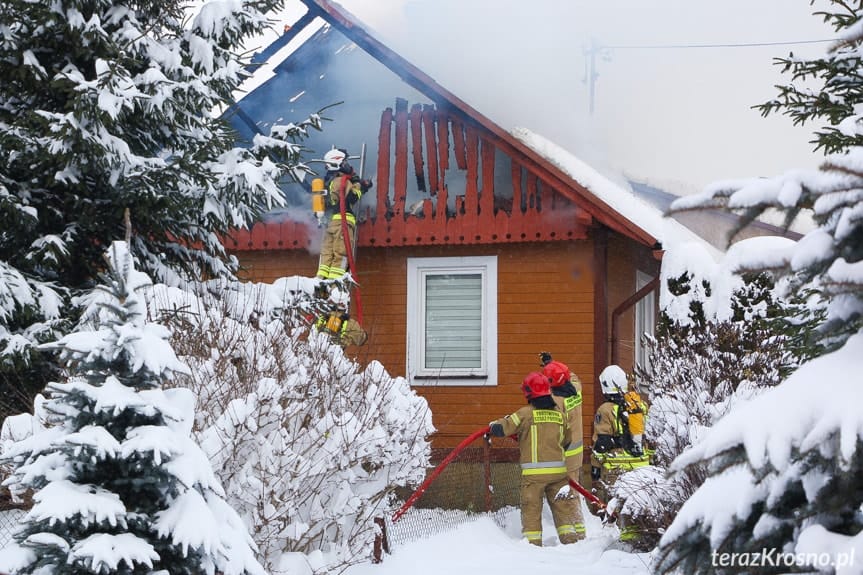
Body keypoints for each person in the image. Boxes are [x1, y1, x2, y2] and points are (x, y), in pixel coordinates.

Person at [488, 372, 581, 546]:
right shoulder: (560, 415)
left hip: (534, 476)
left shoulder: (525, 414)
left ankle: (533, 546)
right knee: (563, 510)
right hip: (559, 474)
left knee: (531, 509)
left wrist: (494, 425)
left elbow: (502, 429)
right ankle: (571, 543)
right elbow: (567, 441)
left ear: (529, 393)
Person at [590, 364, 650, 543]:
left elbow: (602, 443)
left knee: (620, 503)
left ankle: (627, 540)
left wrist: (595, 466)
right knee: (637, 501)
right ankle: (642, 535)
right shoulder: (638, 406)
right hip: (641, 465)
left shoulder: (605, 409)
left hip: (618, 467)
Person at [539, 352, 586, 540]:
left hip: (563, 457)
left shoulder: (556, 403)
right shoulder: (576, 388)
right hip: (576, 455)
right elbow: (570, 375)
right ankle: (580, 533)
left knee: (563, 500)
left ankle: (572, 539)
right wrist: (551, 365)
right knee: (573, 495)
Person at [315, 148, 372, 280]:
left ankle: (321, 281)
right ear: (338, 163)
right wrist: (361, 185)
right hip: (343, 223)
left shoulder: (327, 182)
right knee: (341, 252)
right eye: (345, 162)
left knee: (327, 254)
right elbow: (351, 198)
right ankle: (335, 283)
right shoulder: (342, 181)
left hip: (330, 224)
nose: (348, 164)